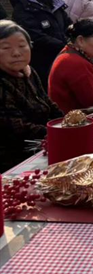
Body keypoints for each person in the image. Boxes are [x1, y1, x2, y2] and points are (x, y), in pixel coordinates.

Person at [0, 21, 62, 171]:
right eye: (6, 48)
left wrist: (67, 121)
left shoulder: (28, 72)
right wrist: (58, 132)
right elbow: (14, 127)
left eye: (22, 46)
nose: (16, 53)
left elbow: (46, 102)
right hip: (14, 161)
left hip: (42, 147)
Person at [10, 0, 72, 88]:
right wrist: (64, 46)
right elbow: (34, 35)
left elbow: (68, 24)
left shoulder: (55, 2)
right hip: (41, 62)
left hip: (62, 57)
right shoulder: (22, 6)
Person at [48, 20, 93, 113]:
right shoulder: (73, 62)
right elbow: (92, 100)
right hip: (73, 118)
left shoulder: (70, 52)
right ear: (80, 40)